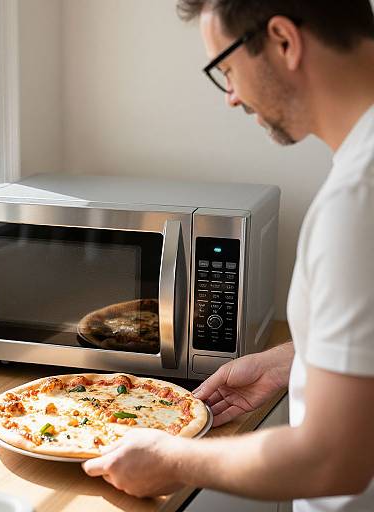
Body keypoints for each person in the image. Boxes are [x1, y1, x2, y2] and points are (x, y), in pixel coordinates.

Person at [82, 1, 374, 510]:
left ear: (284, 40)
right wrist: (295, 363)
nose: (232, 98)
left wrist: (172, 458)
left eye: (228, 70)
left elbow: (335, 459)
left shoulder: (357, 199)